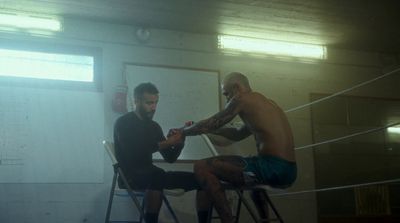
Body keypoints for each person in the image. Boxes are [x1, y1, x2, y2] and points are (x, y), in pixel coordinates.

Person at [179, 72, 297, 223]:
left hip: (272, 168)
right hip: (289, 170)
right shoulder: (265, 103)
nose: (227, 99)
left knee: (201, 167)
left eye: (227, 94)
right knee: (254, 182)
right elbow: (236, 133)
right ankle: (265, 221)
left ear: (236, 88)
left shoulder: (242, 99)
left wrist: (183, 132)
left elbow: (213, 122)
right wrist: (205, 129)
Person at [113, 82, 209, 223]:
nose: (153, 107)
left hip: (152, 175)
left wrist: (180, 139)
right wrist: (169, 142)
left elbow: (170, 158)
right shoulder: (123, 123)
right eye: (149, 103)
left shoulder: (154, 126)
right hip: (129, 177)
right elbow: (134, 151)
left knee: (201, 180)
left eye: (156, 103)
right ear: (136, 101)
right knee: (156, 177)